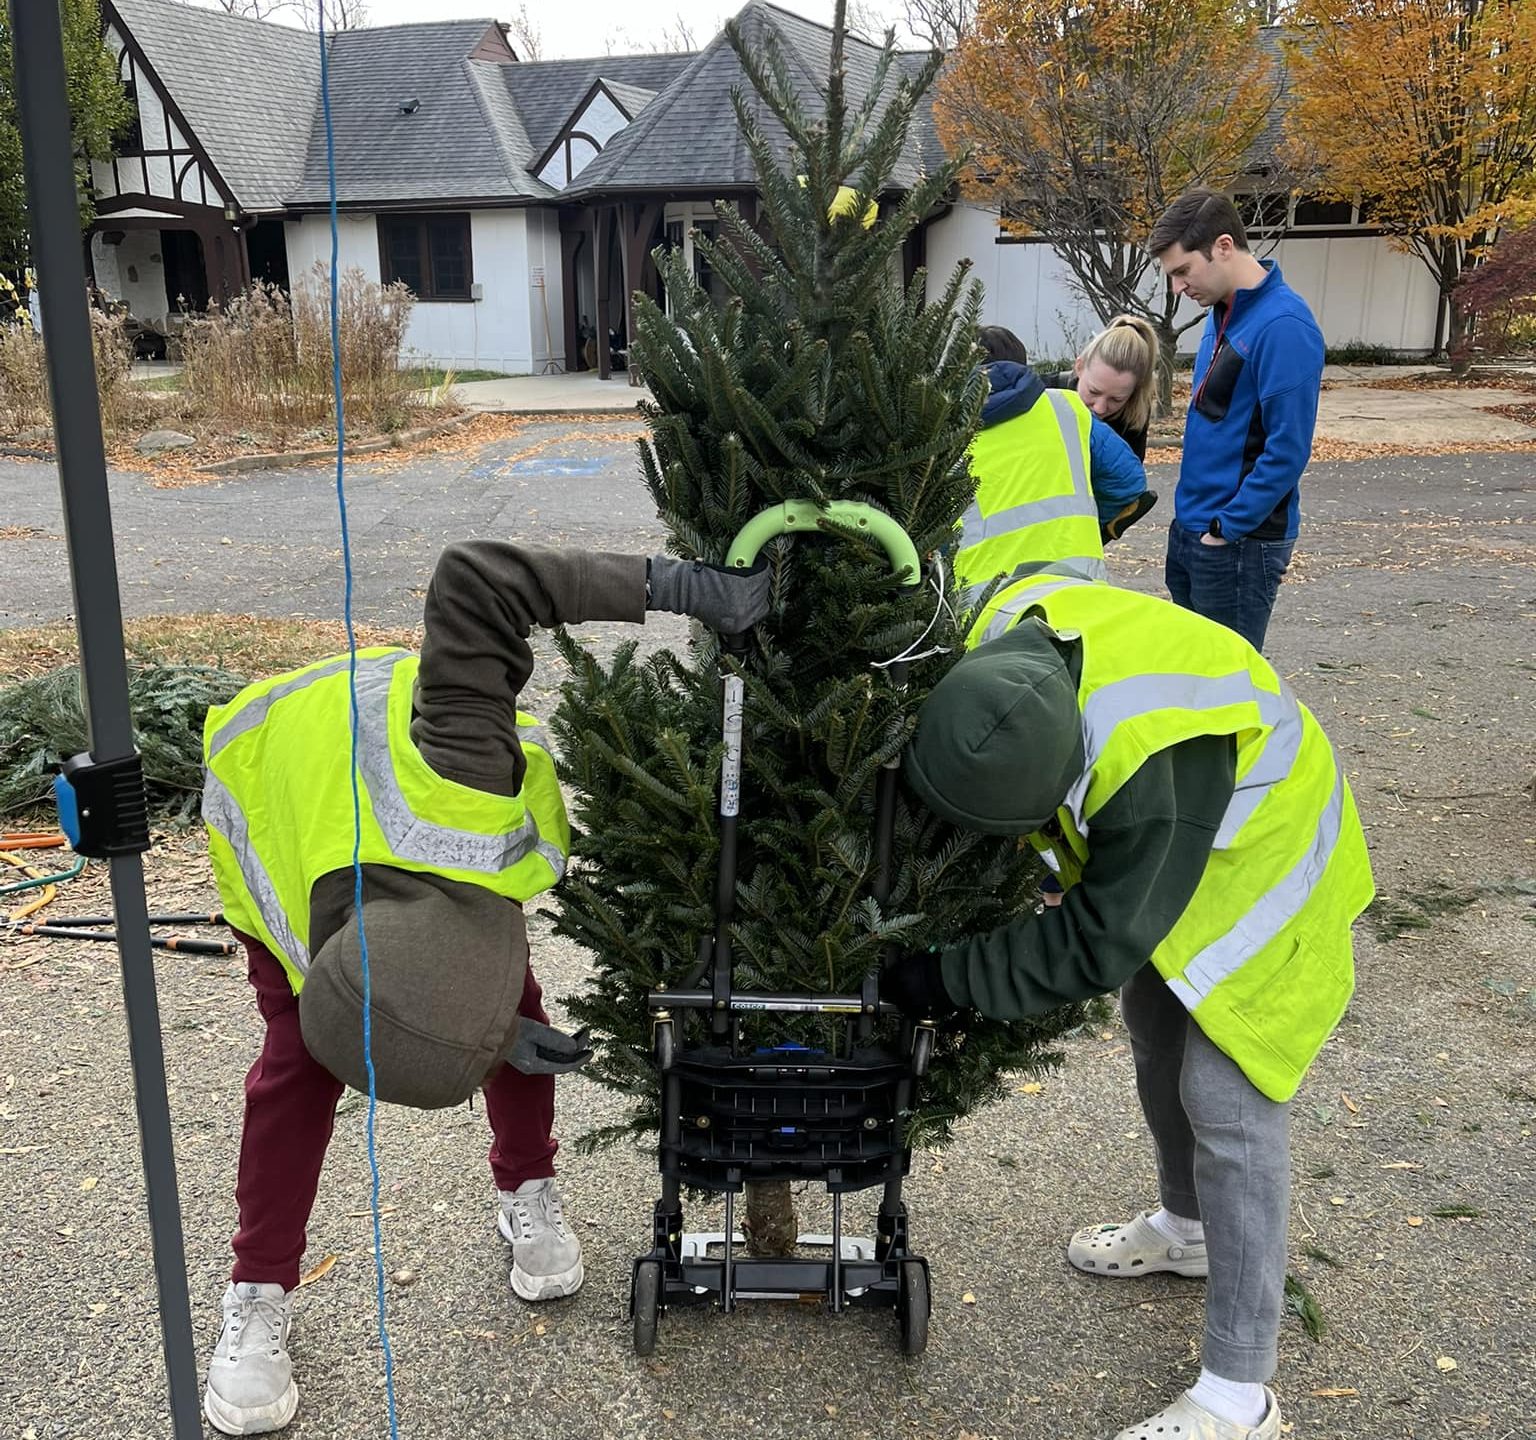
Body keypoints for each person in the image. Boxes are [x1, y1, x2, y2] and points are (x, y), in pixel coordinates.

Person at [199, 541, 769, 1436]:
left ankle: (526, 1191)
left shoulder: (456, 754)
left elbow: (477, 576)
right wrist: (487, 1036)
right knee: (294, 1073)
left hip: (379, 777)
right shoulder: (283, 910)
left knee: (508, 1003)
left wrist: (678, 586)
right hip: (279, 800)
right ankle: (257, 1291)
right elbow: (408, 1016)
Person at [880, 567, 1374, 1440]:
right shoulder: (998, 638)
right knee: (1154, 1033)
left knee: (1229, 1101)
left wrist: (945, 977)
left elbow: (1094, 944)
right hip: (1187, 836)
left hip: (1262, 860)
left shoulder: (1148, 765)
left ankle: (1239, 1392)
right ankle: (1185, 1230)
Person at [1148, 189, 1325, 653]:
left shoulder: (1284, 324)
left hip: (1237, 544)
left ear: (1223, 246)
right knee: (1192, 680)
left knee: (1226, 693)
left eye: (1183, 271)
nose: (1178, 288)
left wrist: (1225, 530)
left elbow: (1288, 449)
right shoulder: (1221, 313)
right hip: (1194, 530)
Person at [954, 326, 1153, 598]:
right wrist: (1086, 526)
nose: (1100, 407)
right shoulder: (1066, 408)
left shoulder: (940, 430)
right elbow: (1129, 482)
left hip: (980, 598)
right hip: (1076, 581)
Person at [1045, 314, 1160, 461]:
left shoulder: (1133, 416)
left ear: (1134, 391)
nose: (1100, 408)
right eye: (1093, 391)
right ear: (1079, 367)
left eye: (1116, 399)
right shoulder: (1042, 394)